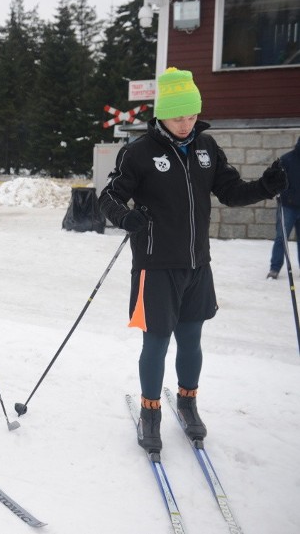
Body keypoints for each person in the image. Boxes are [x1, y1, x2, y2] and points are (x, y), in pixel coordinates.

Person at [98, 68, 287, 455]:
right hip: (156, 265)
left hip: (198, 264)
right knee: (156, 342)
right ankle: (150, 412)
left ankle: (187, 402)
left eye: (191, 116)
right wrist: (126, 218)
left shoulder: (206, 147)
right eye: (178, 116)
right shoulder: (139, 152)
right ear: (162, 114)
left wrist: (265, 187)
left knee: (191, 340)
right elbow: (109, 197)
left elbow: (231, 192)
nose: (186, 124)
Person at [267, 137, 300, 279]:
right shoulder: (287, 160)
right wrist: (288, 196)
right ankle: (275, 268)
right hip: (288, 207)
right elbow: (278, 182)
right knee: (281, 237)